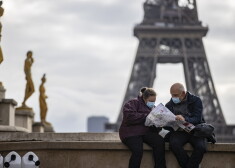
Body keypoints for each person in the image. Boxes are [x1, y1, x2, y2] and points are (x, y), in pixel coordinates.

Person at [119, 87, 166, 168]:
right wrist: (146, 116)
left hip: (145, 132)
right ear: (144, 98)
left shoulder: (153, 108)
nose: (153, 103)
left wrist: (159, 123)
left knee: (160, 142)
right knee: (138, 150)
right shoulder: (133, 103)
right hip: (131, 133)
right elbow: (129, 117)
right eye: (151, 101)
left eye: (154, 101)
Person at [165, 83, 206, 168]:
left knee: (201, 147)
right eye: (172, 95)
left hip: (194, 130)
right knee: (174, 144)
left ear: (183, 93)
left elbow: (197, 119)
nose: (173, 97)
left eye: (175, 95)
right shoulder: (169, 105)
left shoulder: (196, 100)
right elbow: (167, 124)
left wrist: (184, 119)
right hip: (179, 131)